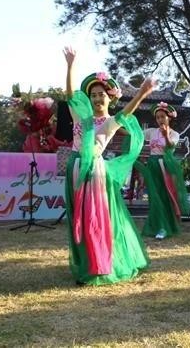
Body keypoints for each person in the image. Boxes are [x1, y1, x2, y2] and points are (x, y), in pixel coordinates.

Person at [63, 46, 154, 285]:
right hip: (75, 168)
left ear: (109, 97)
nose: (96, 98)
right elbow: (70, 94)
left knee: (95, 218)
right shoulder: (79, 117)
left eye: (101, 94)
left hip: (95, 173)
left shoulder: (110, 122)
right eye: (93, 95)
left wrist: (142, 93)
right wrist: (70, 65)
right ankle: (85, 262)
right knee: (78, 218)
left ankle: (99, 264)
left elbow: (127, 111)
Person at [139, 102, 190, 239]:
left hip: (165, 165)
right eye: (158, 117)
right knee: (154, 196)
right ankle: (156, 225)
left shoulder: (174, 134)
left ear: (169, 118)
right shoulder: (151, 132)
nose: (160, 120)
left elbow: (170, 146)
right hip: (152, 164)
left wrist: (166, 135)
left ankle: (165, 227)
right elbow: (136, 134)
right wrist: (118, 125)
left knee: (165, 195)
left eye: (162, 116)